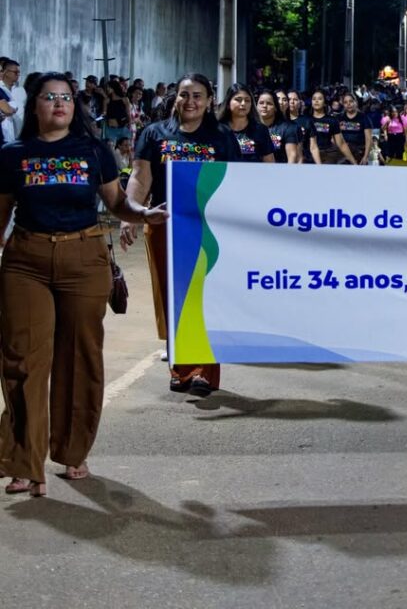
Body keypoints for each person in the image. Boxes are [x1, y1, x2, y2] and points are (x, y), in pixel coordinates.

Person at [0, 72, 167, 497]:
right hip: (26, 262)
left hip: (84, 258)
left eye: (66, 97)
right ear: (34, 104)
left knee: (80, 358)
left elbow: (117, 203)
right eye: (49, 96)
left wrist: (143, 214)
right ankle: (24, 462)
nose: (59, 103)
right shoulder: (13, 154)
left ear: (75, 106)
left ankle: (72, 451)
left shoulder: (94, 150)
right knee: (23, 361)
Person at [120, 73, 241, 397]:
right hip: (164, 226)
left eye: (198, 95)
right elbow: (140, 177)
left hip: (209, 229)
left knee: (205, 298)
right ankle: (181, 369)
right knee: (173, 297)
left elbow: (236, 182)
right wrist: (131, 214)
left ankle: (202, 371)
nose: (190, 101)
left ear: (209, 100)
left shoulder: (222, 137)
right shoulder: (154, 133)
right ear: (175, 98)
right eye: (184, 94)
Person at [217, 84, 274, 163]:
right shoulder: (217, 130)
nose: (243, 103)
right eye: (238, 100)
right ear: (228, 104)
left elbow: (270, 163)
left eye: (247, 100)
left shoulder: (260, 130)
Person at [308, 89, 358, 165]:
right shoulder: (306, 120)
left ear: (325, 103)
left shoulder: (332, 120)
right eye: (314, 99)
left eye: (320, 99)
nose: (316, 101)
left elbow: (341, 144)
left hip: (328, 154)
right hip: (310, 154)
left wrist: (354, 163)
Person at [256, 89, 301, 164]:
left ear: (275, 108)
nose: (264, 106)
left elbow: (292, 157)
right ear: (256, 106)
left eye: (269, 103)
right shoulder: (250, 128)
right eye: (261, 103)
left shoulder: (288, 128)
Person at [338, 93, 372, 165]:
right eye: (345, 102)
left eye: (351, 101)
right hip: (343, 152)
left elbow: (368, 139)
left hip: (359, 151)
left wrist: (365, 156)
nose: (348, 104)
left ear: (355, 102)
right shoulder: (339, 118)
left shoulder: (364, 117)